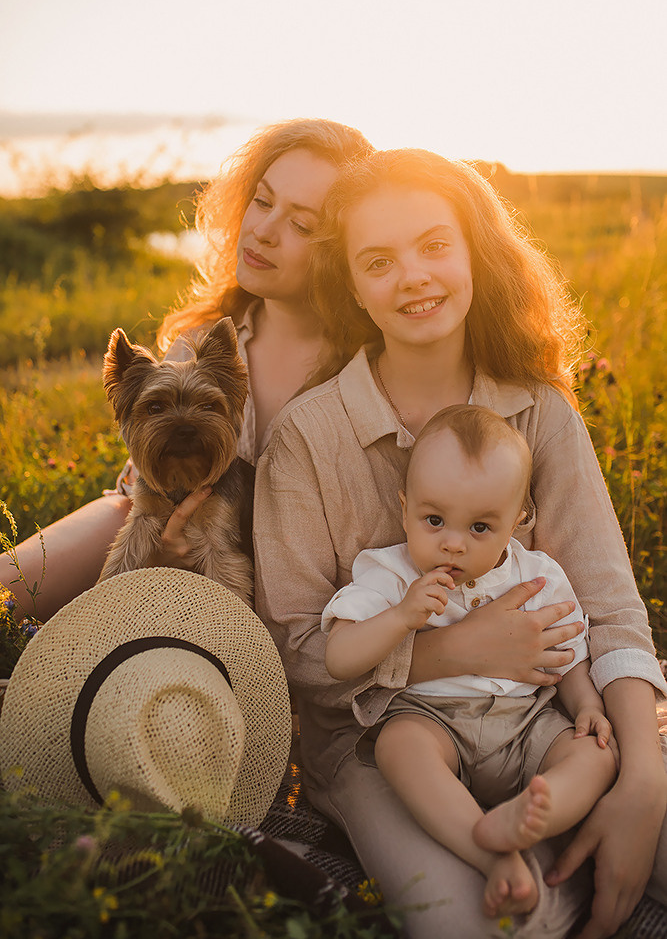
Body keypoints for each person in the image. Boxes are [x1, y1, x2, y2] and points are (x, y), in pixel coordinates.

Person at [253, 148, 667, 939]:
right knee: (470, 924)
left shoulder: (538, 411)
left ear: (474, 249)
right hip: (378, 742)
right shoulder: (309, 437)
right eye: (379, 261)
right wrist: (456, 652)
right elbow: (297, 653)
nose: (413, 276)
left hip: (542, 719)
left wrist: (638, 780)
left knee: (635, 817)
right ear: (350, 285)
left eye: (434, 245)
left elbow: (609, 606)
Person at [1, 118, 373, 621]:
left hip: (282, 585)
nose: (262, 231)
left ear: (344, 248)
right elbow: (142, 491)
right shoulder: (199, 342)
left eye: (301, 225)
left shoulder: (363, 373)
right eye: (261, 201)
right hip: (144, 524)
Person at [322, 404, 617, 920]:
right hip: (434, 721)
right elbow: (338, 659)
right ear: (404, 505)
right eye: (433, 520)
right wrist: (401, 616)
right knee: (398, 747)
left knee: (593, 753)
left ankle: (536, 815)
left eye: (480, 527)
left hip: (526, 724)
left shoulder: (536, 574)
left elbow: (567, 649)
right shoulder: (390, 574)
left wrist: (588, 703)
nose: (452, 543)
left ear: (518, 521)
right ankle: (488, 850)